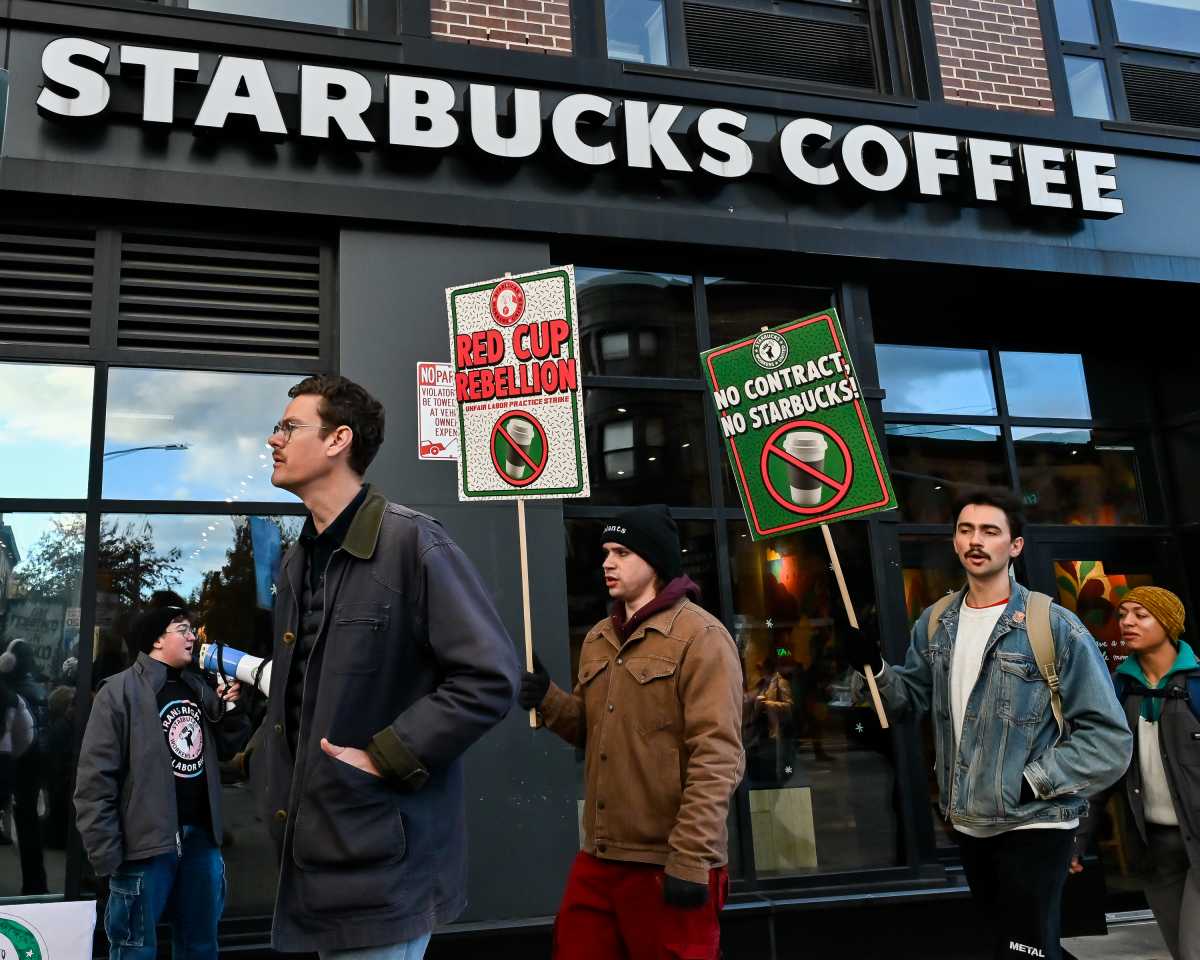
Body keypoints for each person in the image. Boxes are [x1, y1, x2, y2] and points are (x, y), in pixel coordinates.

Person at [248, 374, 519, 959]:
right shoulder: (298, 561)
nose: (273, 439)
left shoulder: (413, 544)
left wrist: (383, 755)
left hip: (382, 868)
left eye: (289, 427)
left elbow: (491, 678)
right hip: (320, 863)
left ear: (338, 440)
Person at [845, 489, 1132, 960]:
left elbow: (1109, 739)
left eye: (990, 531)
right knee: (1015, 946)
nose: (975, 541)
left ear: (1015, 546)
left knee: (1025, 950)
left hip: (1035, 824)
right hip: (968, 824)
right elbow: (906, 701)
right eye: (965, 530)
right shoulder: (936, 622)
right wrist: (872, 668)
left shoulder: (1053, 626)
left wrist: (1029, 782)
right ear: (956, 542)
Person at [518, 504, 744, 960]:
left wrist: (691, 857)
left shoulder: (701, 638)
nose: (607, 562)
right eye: (605, 551)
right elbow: (588, 728)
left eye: (621, 551)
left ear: (655, 560)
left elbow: (717, 757)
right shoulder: (600, 636)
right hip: (599, 858)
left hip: (667, 861)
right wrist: (547, 697)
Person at [75, 605, 239, 960]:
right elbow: (94, 781)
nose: (193, 636)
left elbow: (228, 749)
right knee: (135, 950)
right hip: (145, 848)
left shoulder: (199, 687)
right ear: (156, 639)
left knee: (201, 947)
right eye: (182, 628)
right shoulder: (118, 692)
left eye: (192, 629)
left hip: (201, 844)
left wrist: (230, 708)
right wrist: (107, 856)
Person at [1072, 586, 1199, 960]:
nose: (1127, 622)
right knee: (1180, 950)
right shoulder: (1118, 690)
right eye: (1123, 613)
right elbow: (1101, 773)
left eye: (1140, 615)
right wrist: (1077, 839)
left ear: (1169, 623)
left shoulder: (1195, 685)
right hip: (1153, 847)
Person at [0, 637, 48, 893]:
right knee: (29, 822)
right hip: (36, 761)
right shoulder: (39, 690)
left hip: (17, 763)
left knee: (24, 821)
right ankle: (35, 882)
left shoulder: (11, 692)